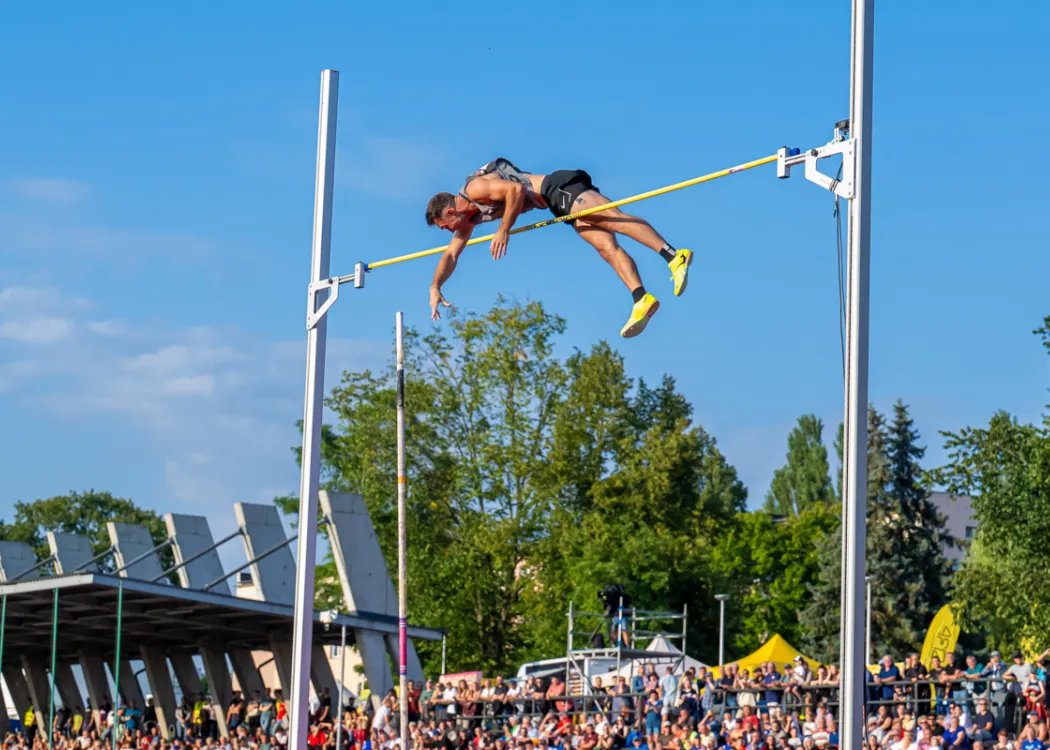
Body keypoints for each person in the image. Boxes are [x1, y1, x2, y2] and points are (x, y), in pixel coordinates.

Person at [424, 157, 693, 338]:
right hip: (556, 203)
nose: (449, 231)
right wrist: (435, 286)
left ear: (449, 211)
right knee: (605, 247)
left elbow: (514, 192)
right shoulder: (469, 218)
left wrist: (503, 230)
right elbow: (451, 254)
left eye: (445, 226)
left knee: (615, 221)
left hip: (558, 187)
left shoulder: (475, 189)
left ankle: (674, 255)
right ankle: (640, 298)